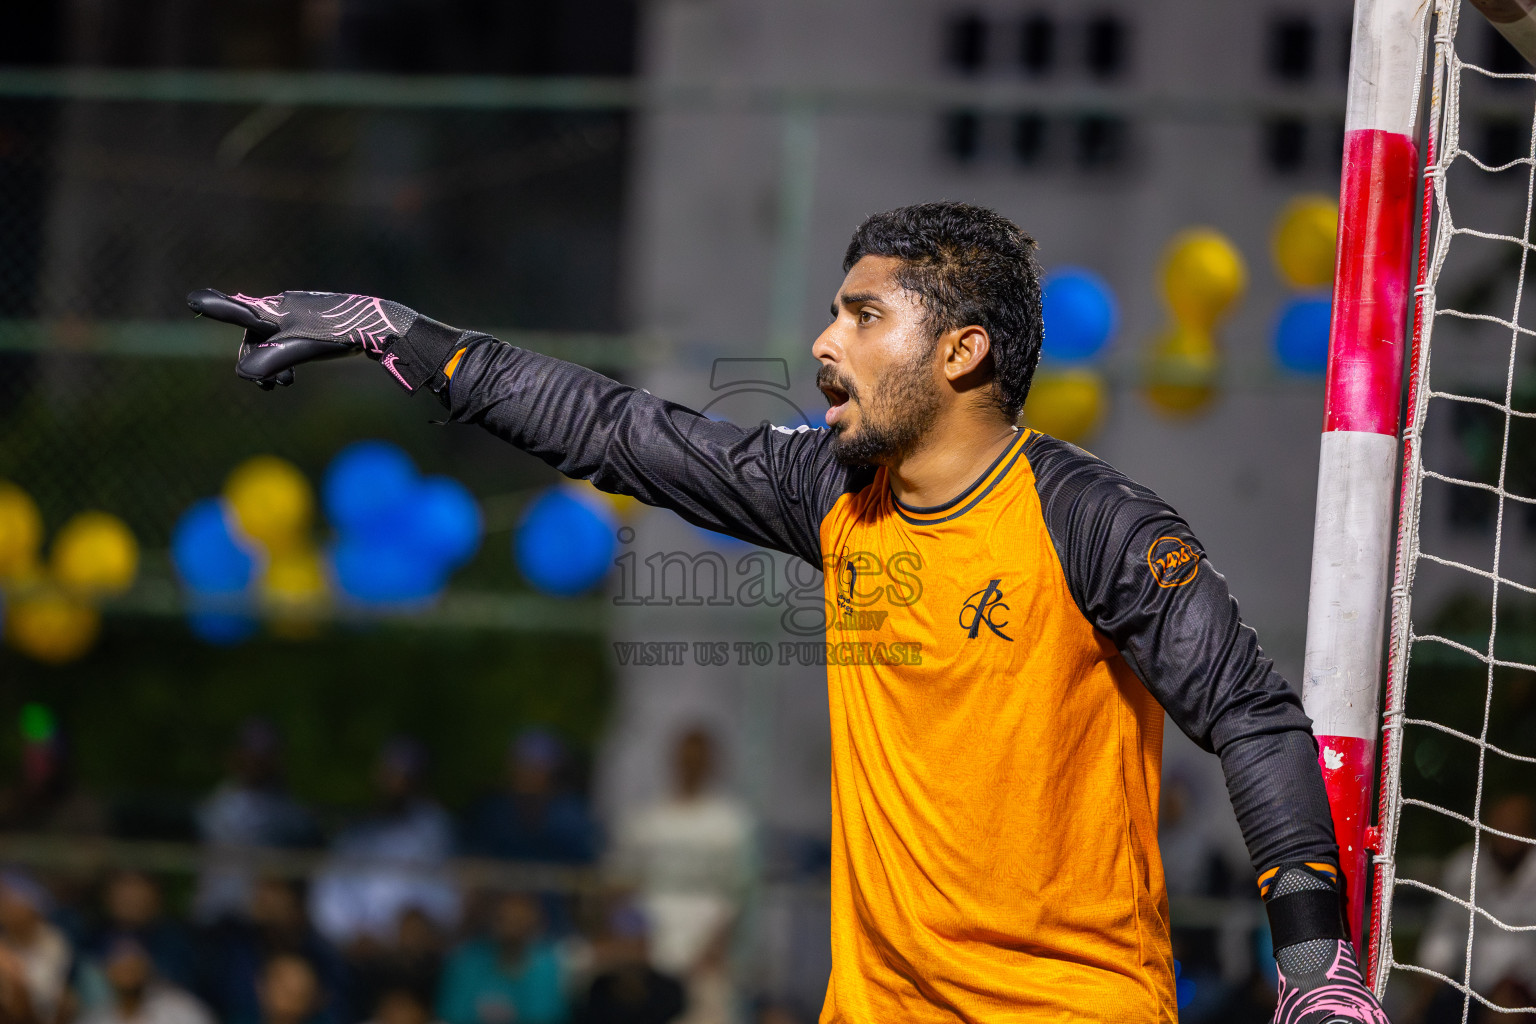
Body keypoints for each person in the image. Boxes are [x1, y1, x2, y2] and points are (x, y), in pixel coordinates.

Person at [191, 200, 1384, 1022]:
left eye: (865, 316)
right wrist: (398, 331)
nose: (824, 342)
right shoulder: (828, 492)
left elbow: (1252, 716)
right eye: (834, 311)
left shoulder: (1098, 523)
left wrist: (1315, 960)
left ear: (962, 350)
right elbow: (617, 430)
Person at [609, 728, 750, 1024]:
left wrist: (712, 951)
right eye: (686, 758)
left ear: (711, 763)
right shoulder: (647, 819)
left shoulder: (730, 823)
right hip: (647, 950)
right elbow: (622, 884)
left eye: (698, 759)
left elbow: (738, 894)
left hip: (703, 954)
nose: (691, 765)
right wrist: (630, 943)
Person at [308, 737, 459, 949]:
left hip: (419, 949)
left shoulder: (435, 829)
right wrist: (352, 935)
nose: (398, 782)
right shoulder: (354, 836)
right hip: (359, 950)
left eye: (407, 776)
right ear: (379, 775)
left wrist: (423, 921)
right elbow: (327, 900)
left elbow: (448, 898)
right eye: (393, 773)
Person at [1415, 793, 1536, 1017]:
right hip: (1468, 993)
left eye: (1515, 827)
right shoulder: (1464, 867)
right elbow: (1443, 935)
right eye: (1501, 827)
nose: (1507, 835)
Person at [193, 719, 320, 925]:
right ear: (237, 753)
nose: (256, 761)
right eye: (251, 752)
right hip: (215, 919)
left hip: (269, 923)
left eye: (264, 754)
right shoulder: (211, 809)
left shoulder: (296, 817)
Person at [198, 877, 350, 1024]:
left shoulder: (321, 954)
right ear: (260, 984)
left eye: (272, 889)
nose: (288, 993)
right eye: (280, 983)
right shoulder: (234, 940)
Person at [461, 730, 599, 865]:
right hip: (497, 888)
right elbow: (472, 859)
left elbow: (586, 866)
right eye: (525, 765)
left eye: (539, 766)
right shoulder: (494, 812)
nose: (531, 773)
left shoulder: (572, 814)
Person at [435, 891, 565, 1024]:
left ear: (534, 922)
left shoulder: (546, 966)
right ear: (491, 920)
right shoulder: (467, 962)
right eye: (504, 918)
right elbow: (452, 1015)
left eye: (519, 920)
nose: (512, 927)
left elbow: (544, 1015)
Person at [84, 871, 197, 995]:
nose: (131, 896)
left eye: (138, 886)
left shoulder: (174, 940)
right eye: (124, 886)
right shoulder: (92, 936)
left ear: (156, 895)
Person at [574, 907, 684, 1024]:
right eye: (624, 943)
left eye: (637, 943)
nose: (629, 951)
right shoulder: (598, 989)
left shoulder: (669, 990)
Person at [76, 938, 213, 1024]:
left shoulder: (181, 1009)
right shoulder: (96, 1018)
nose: (128, 971)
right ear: (107, 972)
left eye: (134, 965)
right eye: (120, 965)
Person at [0, 870, 73, 1024]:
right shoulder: (3, 942)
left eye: (12, 903)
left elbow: (44, 995)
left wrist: (13, 973)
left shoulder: (53, 941)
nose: (6, 910)